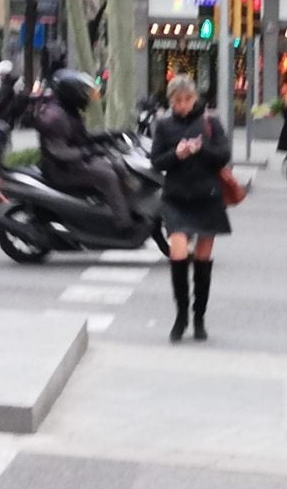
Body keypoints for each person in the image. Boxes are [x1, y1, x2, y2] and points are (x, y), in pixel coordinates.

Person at [148, 74, 230, 344]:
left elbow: (223, 155)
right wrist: (177, 154)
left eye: (187, 99)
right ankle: (181, 314)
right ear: (170, 100)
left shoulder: (210, 122)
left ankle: (199, 317)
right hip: (176, 198)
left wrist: (200, 149)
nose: (183, 105)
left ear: (195, 98)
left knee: (204, 259)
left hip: (207, 196)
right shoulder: (163, 125)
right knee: (178, 251)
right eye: (177, 100)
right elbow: (157, 161)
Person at [29, 68, 135, 231]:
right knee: (108, 176)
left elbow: (80, 137)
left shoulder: (68, 111)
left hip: (72, 164)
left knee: (118, 166)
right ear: (71, 92)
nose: (86, 96)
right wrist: (90, 151)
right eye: (83, 91)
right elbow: (60, 152)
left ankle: (123, 209)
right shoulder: (55, 117)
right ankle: (124, 225)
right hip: (61, 170)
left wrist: (109, 135)